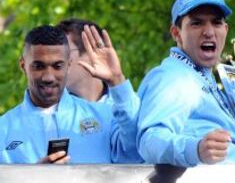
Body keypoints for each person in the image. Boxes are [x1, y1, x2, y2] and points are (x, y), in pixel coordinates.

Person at [136, 0, 235, 167]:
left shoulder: (203, 78)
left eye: (216, 23)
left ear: (226, 30)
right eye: (197, 23)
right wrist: (196, 149)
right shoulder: (174, 77)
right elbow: (150, 141)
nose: (209, 31)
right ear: (176, 33)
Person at [0, 25, 140, 163]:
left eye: (57, 66)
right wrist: (33, 177)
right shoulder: (4, 129)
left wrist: (117, 80)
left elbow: (136, 152)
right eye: (38, 66)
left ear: (68, 65)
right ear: (23, 65)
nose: (48, 77)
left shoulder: (104, 116)